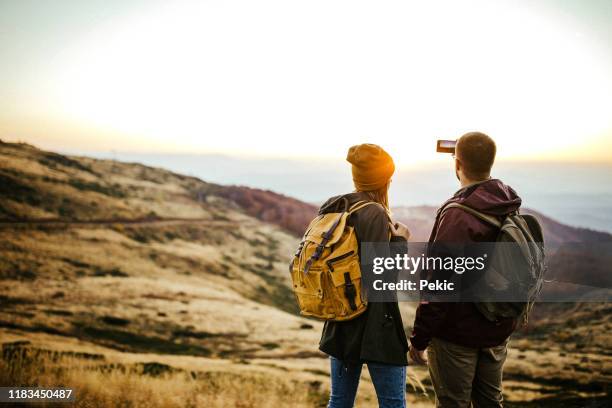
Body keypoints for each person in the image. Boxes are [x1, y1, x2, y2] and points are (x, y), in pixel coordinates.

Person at [409, 132, 522, 407]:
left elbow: (440, 284)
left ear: (457, 164)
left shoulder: (458, 215)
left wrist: (419, 339)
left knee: (452, 403)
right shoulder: (507, 204)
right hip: (496, 328)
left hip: (456, 335)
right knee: (490, 402)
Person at [319, 143, 411, 408]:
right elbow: (381, 278)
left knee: (339, 402)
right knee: (393, 404)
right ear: (385, 181)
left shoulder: (334, 206)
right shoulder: (375, 213)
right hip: (376, 326)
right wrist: (401, 241)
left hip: (341, 322)